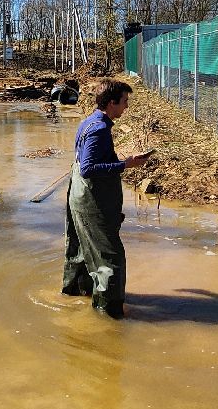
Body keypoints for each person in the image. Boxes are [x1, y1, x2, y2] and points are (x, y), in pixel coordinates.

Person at [62, 79, 151, 319]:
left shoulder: (88, 122)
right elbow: (88, 169)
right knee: (111, 259)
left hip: (78, 198)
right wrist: (125, 164)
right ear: (111, 103)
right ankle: (108, 315)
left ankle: (76, 296)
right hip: (91, 202)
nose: (126, 107)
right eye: (124, 102)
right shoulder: (100, 129)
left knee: (81, 250)